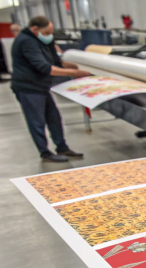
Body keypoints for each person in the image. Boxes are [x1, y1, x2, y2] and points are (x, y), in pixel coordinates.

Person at [11, 16, 89, 162]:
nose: (49, 36)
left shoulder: (41, 40)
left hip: (41, 86)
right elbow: (45, 67)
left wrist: (80, 65)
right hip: (28, 88)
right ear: (35, 29)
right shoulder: (27, 41)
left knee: (54, 118)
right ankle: (45, 153)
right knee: (37, 121)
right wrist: (74, 73)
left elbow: (56, 61)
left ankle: (62, 148)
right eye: (46, 33)